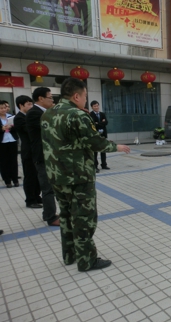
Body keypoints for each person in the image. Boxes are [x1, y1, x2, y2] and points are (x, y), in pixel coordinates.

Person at [41, 77, 130, 272]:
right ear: (76, 95)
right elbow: (95, 142)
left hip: (56, 176)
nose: (85, 100)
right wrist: (117, 147)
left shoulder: (48, 114)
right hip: (78, 176)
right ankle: (87, 260)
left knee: (65, 215)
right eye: (85, 96)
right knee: (84, 218)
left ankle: (69, 255)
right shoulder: (78, 115)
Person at [26, 87, 60, 227]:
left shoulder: (44, 112)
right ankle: (50, 217)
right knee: (47, 188)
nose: (52, 100)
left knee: (52, 186)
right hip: (42, 156)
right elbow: (51, 128)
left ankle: (48, 212)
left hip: (50, 155)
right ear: (41, 98)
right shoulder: (34, 113)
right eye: (50, 97)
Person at [14, 96, 42, 208]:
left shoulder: (30, 116)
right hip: (28, 151)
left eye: (31, 104)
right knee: (30, 176)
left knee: (37, 175)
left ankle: (37, 196)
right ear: (21, 105)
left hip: (36, 150)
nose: (31, 106)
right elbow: (29, 130)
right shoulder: (19, 118)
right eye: (28, 104)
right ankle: (30, 200)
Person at [0, 100, 19, 188]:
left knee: (13, 161)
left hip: (12, 140)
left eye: (4, 108)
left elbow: (17, 128)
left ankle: (15, 179)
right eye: (1, 108)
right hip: (2, 142)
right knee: (4, 162)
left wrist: (10, 127)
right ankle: (7, 180)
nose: (3, 110)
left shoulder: (11, 116)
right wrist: (1, 129)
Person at [89, 101, 110, 173]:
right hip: (95, 135)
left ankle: (104, 164)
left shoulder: (102, 114)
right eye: (95, 106)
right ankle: (95, 166)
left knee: (103, 150)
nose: (96, 107)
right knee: (95, 152)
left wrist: (98, 123)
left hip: (103, 135)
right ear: (92, 107)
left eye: (97, 106)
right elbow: (93, 125)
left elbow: (106, 122)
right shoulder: (90, 115)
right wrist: (101, 123)